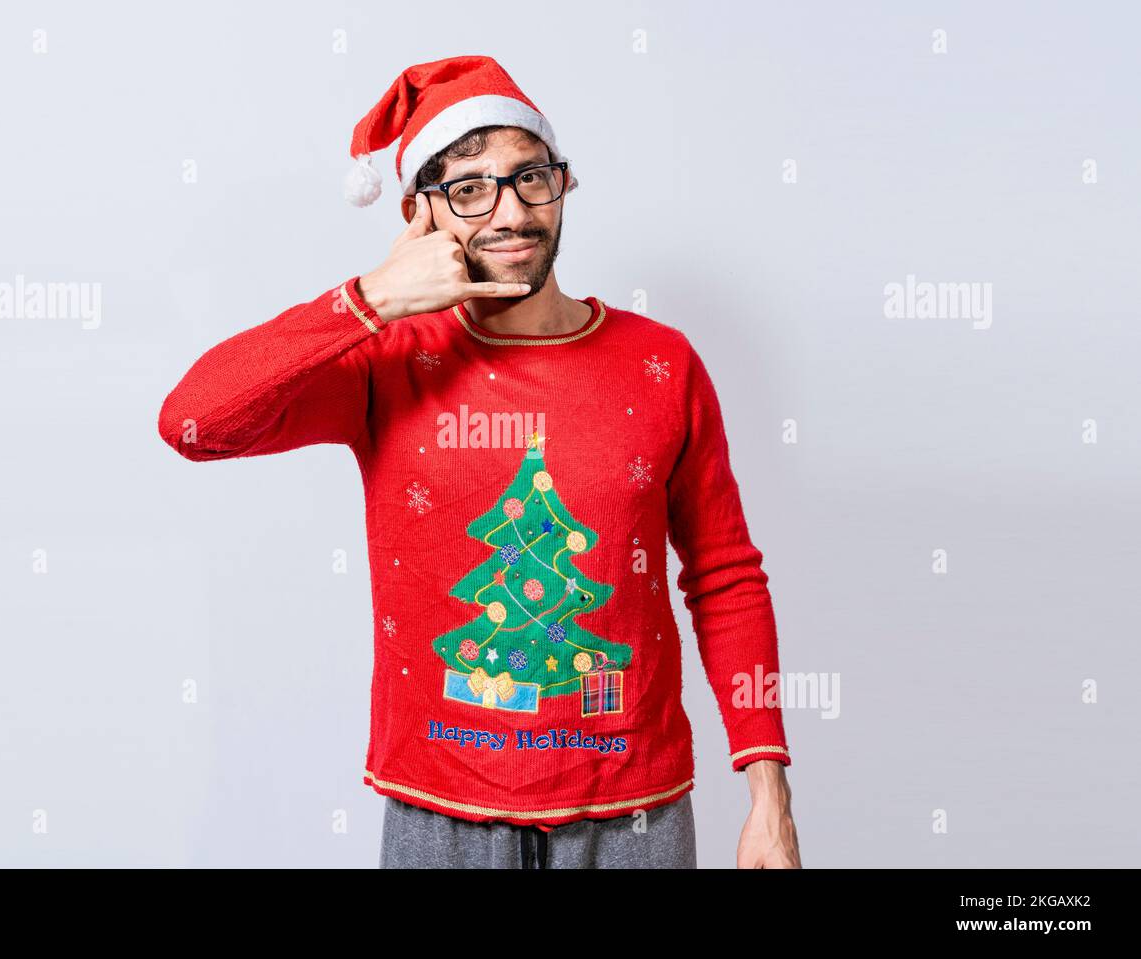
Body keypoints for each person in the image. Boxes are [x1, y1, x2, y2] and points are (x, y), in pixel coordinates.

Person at [158, 55, 800, 869]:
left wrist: (769, 796)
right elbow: (191, 421)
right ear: (421, 215)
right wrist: (372, 297)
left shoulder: (663, 364)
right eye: (469, 189)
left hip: (633, 812)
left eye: (529, 177)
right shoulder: (385, 360)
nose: (509, 211)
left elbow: (725, 575)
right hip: (440, 811)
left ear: (563, 185)